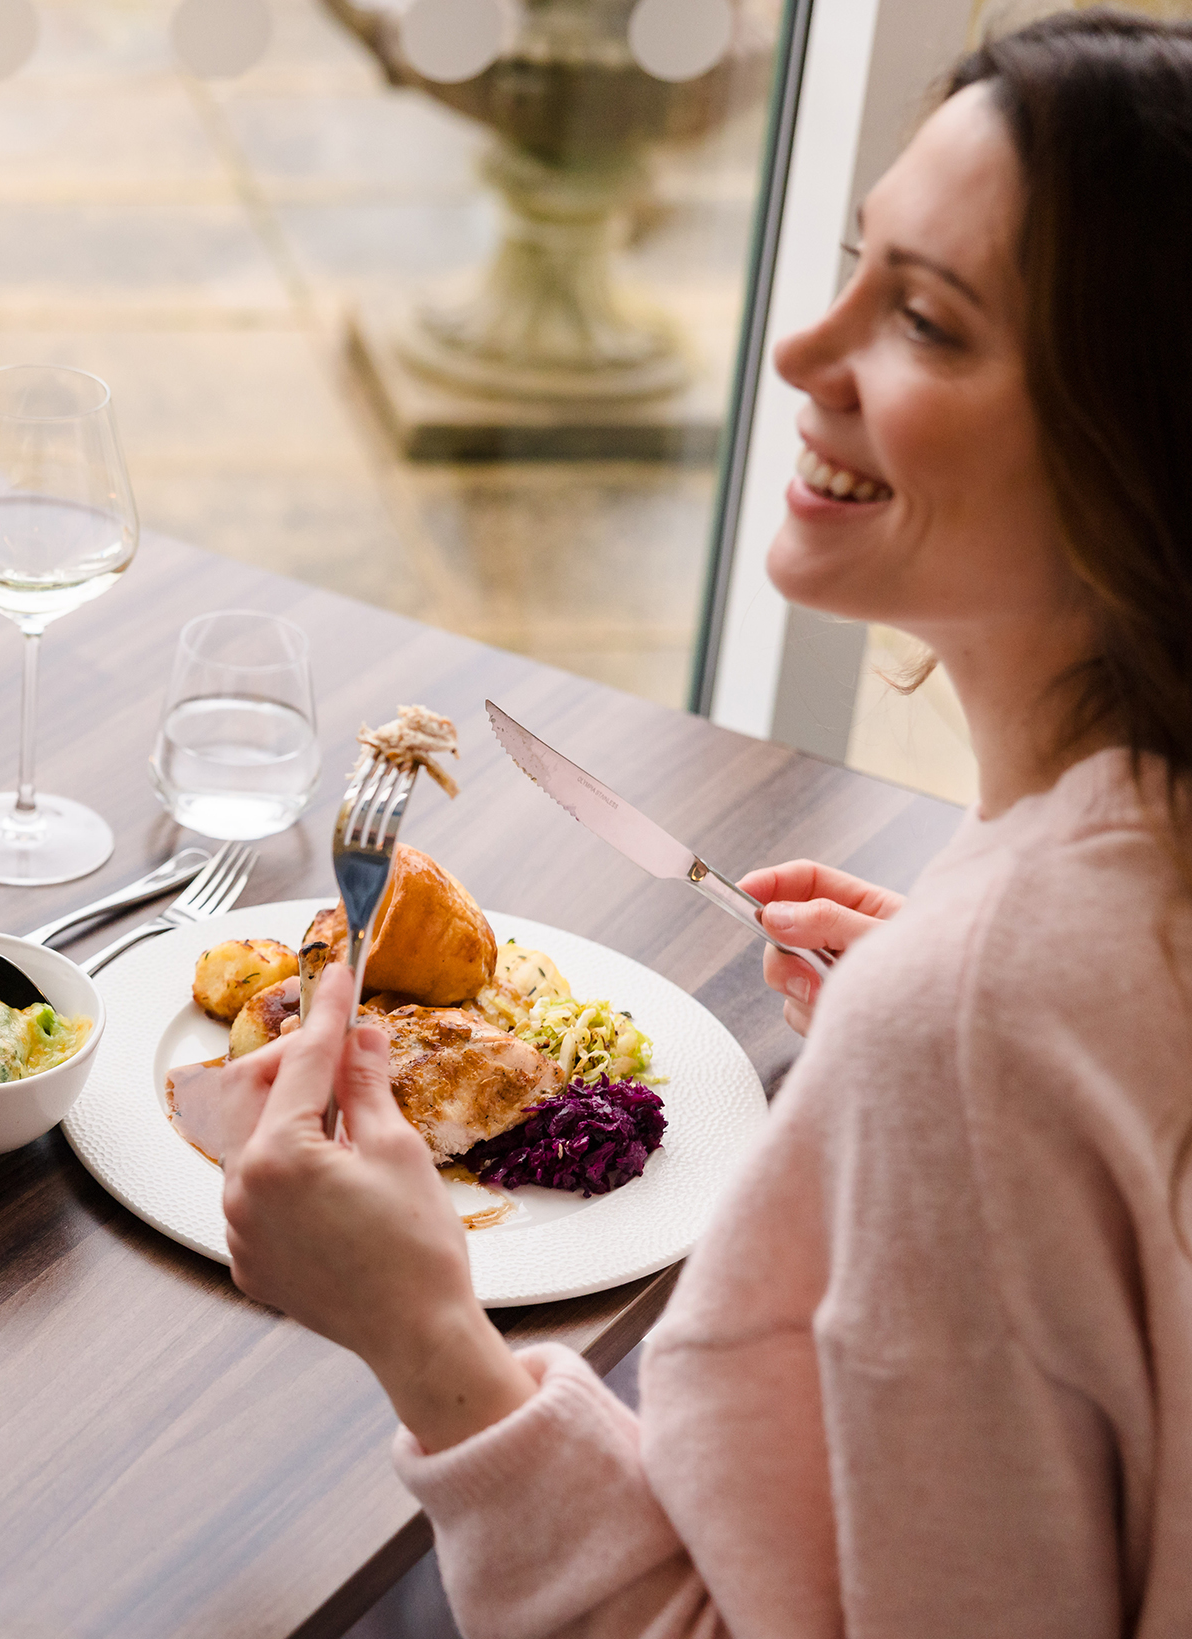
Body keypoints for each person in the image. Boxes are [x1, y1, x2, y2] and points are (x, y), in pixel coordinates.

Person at [219, 12, 1192, 1635]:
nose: (799, 353)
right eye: (850, 265)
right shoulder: (1104, 894)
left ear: (1136, 445)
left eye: (925, 320)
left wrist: (424, 1340)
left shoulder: (982, 1017)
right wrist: (965, 1023)